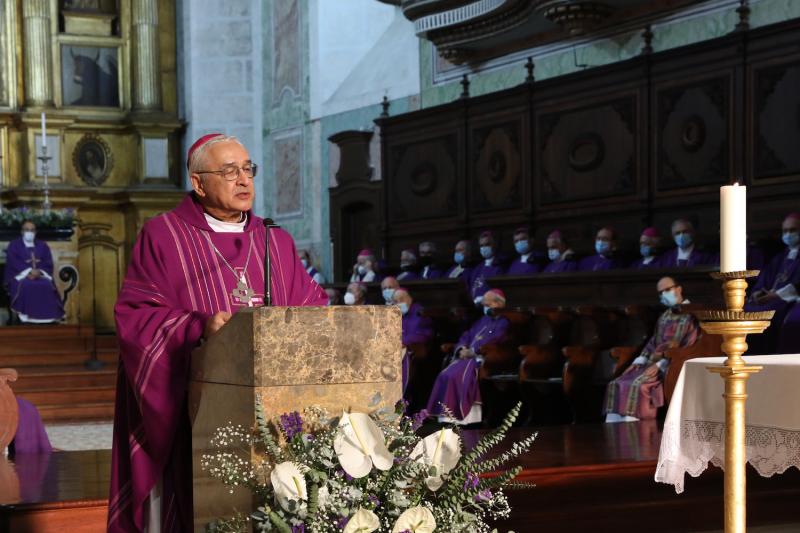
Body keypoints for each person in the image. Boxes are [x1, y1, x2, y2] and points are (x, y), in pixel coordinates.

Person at [108, 134, 327, 532]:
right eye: (229, 171)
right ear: (198, 182)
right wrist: (197, 327)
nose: (243, 180)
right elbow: (137, 316)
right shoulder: (164, 235)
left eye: (248, 169)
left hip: (275, 407)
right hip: (197, 405)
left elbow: (314, 308)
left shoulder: (273, 239)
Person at [604, 277, 699, 422]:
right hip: (651, 363)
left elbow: (689, 347)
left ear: (679, 289)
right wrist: (640, 360)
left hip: (671, 366)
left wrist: (660, 365)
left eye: (667, 290)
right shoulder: (665, 316)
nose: (663, 295)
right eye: (660, 293)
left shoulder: (693, 315)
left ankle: (636, 430)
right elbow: (654, 341)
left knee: (639, 386)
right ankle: (614, 430)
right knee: (617, 383)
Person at [425, 289, 509, 425]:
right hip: (468, 357)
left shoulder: (504, 322)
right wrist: (462, 348)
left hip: (484, 358)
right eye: (484, 305)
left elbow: (497, 340)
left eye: (488, 305)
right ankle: (445, 416)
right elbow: (467, 335)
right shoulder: (483, 320)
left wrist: (473, 351)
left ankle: (462, 417)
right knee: (444, 375)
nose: (485, 308)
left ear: (498, 303)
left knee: (455, 375)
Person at [746, 213, 800, 354]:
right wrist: (757, 292)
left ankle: (768, 356)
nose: (788, 234)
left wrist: (775, 295)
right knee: (746, 310)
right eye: (785, 231)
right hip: (770, 299)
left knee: (772, 315)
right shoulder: (780, 257)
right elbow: (765, 278)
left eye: (793, 230)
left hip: (788, 301)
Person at [3, 220, 65, 323]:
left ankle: (48, 318)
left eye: (32, 230)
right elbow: (13, 262)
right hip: (21, 276)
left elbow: (48, 262)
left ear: (35, 232)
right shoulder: (14, 245)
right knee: (26, 285)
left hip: (40, 275)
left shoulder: (43, 245)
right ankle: (25, 316)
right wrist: (28, 272)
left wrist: (39, 272)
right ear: (22, 232)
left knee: (47, 285)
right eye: (27, 230)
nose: (29, 232)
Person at [392, 288, 434, 393]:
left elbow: (424, 335)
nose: (399, 303)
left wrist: (403, 342)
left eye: (401, 299)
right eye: (396, 301)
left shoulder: (420, 313)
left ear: (410, 299)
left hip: (413, 352)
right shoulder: (395, 315)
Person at [467, 231, 505, 304]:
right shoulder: (477, 269)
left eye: (487, 244)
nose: (484, 248)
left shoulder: (500, 266)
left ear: (494, 245)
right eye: (481, 245)